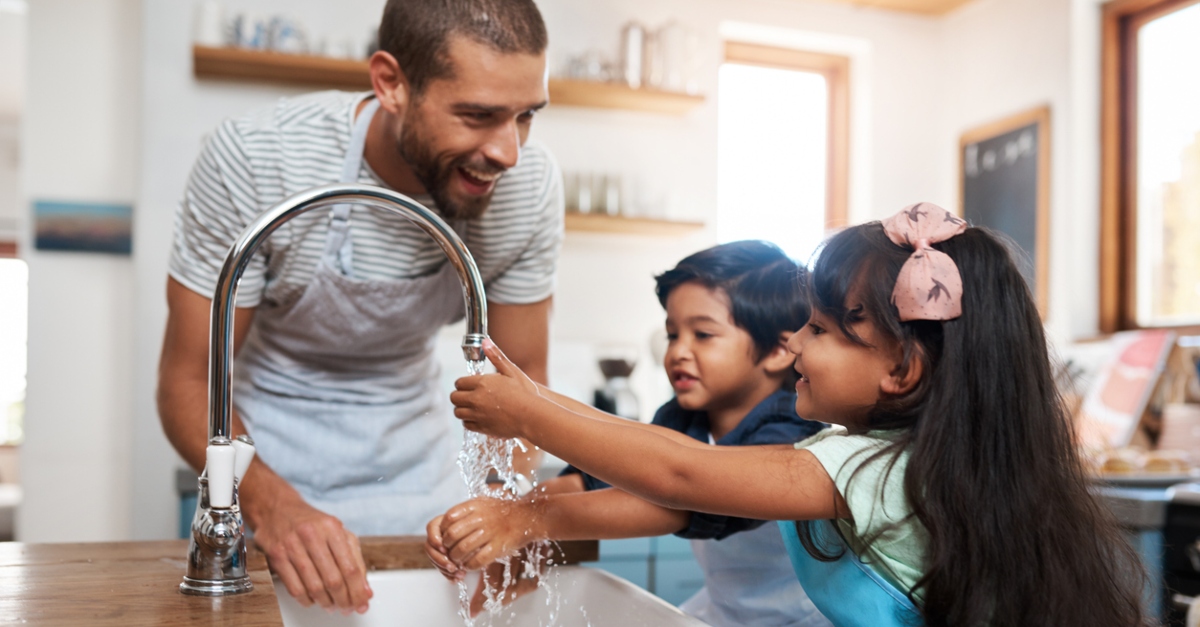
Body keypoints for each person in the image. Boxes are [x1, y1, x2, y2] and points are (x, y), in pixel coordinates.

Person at [446, 203, 1149, 626]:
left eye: (819, 330)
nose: (796, 344)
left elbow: (678, 474)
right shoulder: (898, 455)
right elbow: (648, 449)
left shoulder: (857, 464)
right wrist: (531, 428)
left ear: (901, 369)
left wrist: (532, 415)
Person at [157, 0, 561, 615]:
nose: (507, 150)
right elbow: (187, 383)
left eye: (525, 116)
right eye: (478, 115)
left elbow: (525, 382)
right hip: (264, 460)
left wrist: (506, 508)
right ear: (391, 83)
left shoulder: (525, 188)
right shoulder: (259, 160)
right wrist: (269, 506)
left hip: (422, 475)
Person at [427, 241, 834, 625]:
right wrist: (490, 517)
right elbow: (596, 475)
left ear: (781, 350)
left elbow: (679, 499)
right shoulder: (683, 416)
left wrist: (524, 519)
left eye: (703, 334)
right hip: (723, 612)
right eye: (673, 334)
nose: (677, 351)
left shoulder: (792, 429)